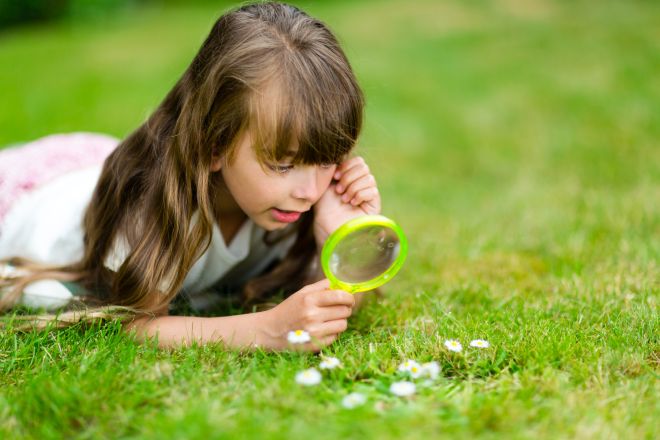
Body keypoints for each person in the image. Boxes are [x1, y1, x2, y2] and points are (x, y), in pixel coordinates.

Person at [0, 2, 381, 351]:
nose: (310, 191)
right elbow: (133, 325)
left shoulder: (292, 196)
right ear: (214, 145)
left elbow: (329, 307)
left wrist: (342, 241)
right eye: (282, 165)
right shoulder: (150, 205)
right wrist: (265, 329)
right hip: (29, 198)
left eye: (329, 160)